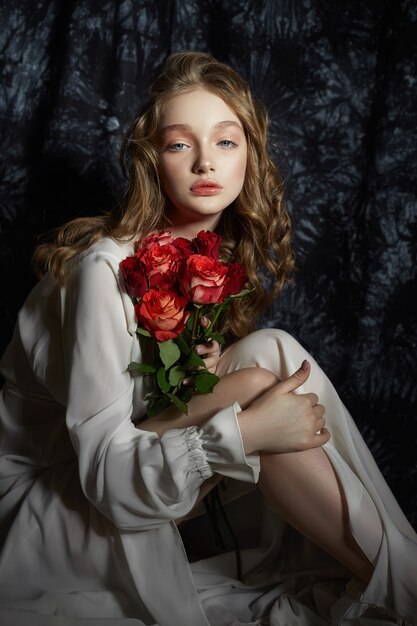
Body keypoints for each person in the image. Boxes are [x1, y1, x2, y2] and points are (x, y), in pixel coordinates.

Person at [0, 50, 416, 626]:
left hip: (117, 481)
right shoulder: (104, 270)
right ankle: (405, 582)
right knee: (258, 383)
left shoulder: (199, 261)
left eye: (225, 141)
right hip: (47, 516)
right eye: (179, 144)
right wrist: (244, 430)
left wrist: (219, 387)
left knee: (270, 353)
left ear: (249, 154)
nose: (204, 163)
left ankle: (399, 579)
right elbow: (103, 475)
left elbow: (155, 409)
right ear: (153, 162)